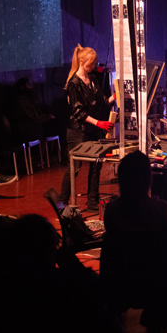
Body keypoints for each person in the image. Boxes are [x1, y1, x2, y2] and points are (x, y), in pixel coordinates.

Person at [101, 151, 167, 333]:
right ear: (147, 180)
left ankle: (154, 315)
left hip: (123, 284)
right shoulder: (162, 209)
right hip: (160, 284)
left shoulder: (111, 210)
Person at [59, 44, 116, 213]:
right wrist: (98, 123)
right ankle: (62, 202)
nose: (95, 66)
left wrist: (116, 96)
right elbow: (78, 112)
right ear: (83, 62)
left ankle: (92, 201)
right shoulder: (73, 84)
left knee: (96, 165)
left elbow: (102, 101)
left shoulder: (92, 80)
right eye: (92, 63)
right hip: (77, 130)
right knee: (75, 167)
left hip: (92, 129)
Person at [11, 77, 57, 144]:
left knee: (58, 121)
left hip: (36, 127)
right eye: (29, 84)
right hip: (30, 130)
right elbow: (33, 118)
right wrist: (48, 117)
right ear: (22, 87)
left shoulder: (30, 100)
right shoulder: (21, 102)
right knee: (59, 124)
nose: (32, 86)